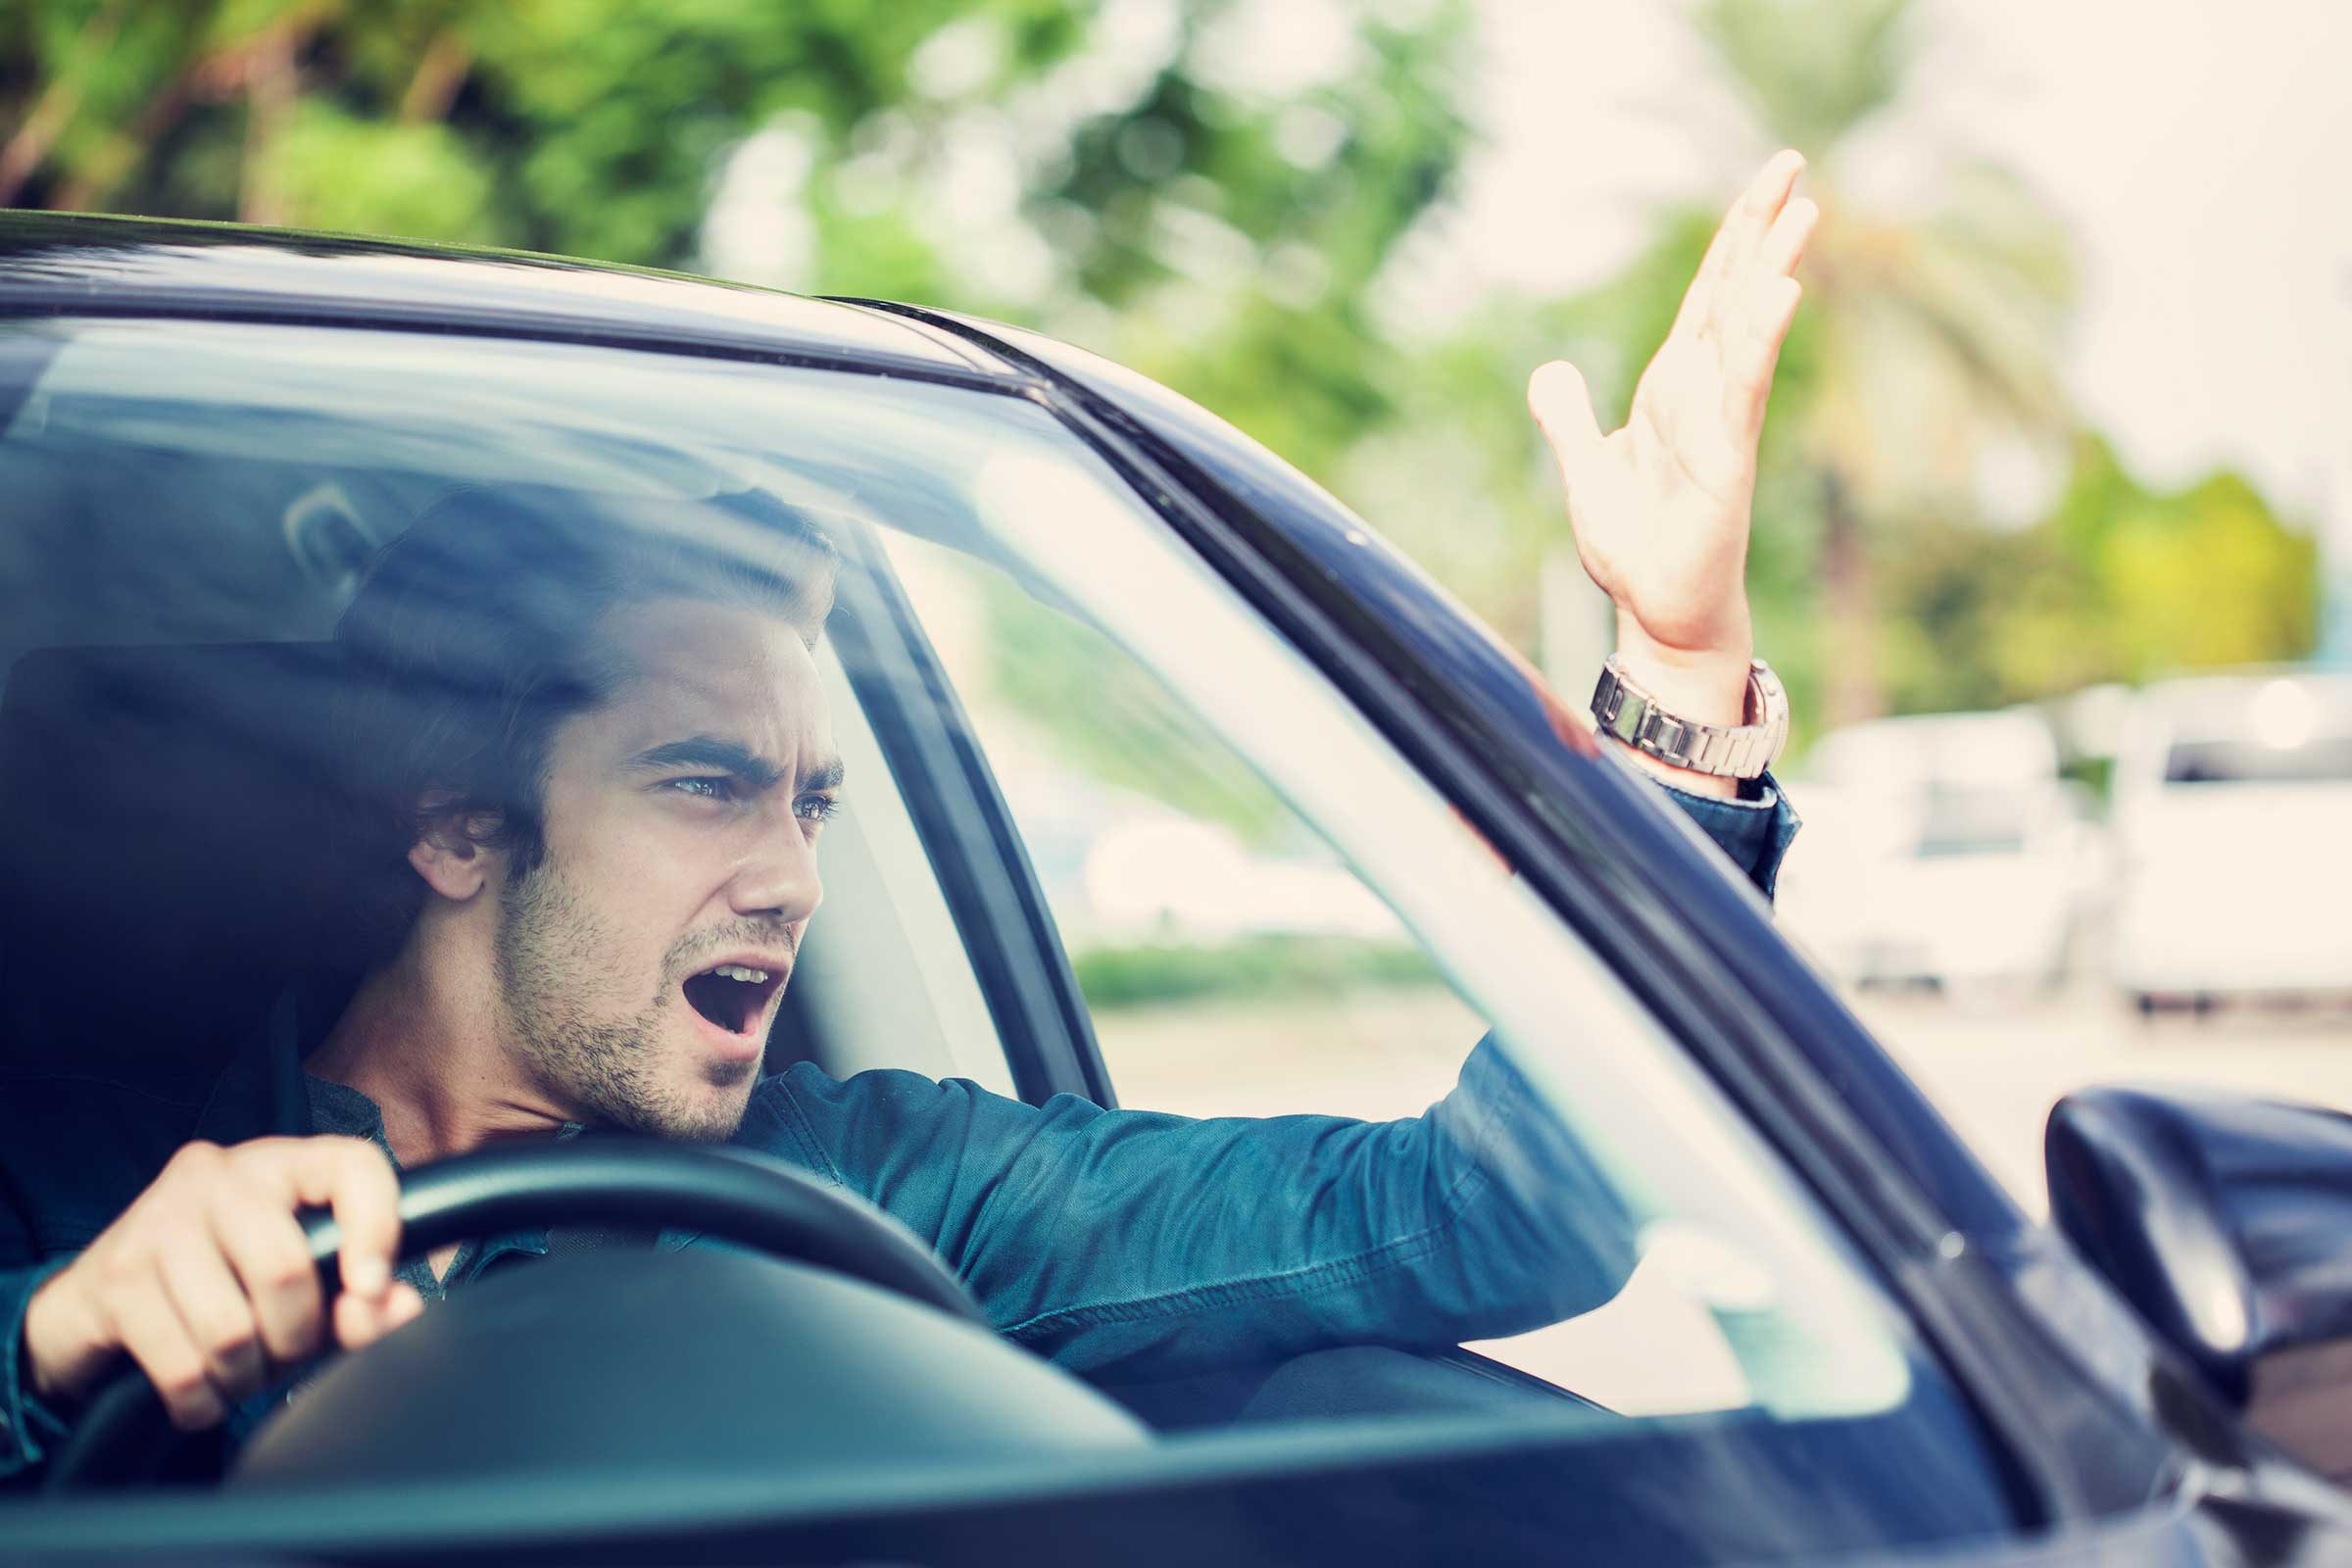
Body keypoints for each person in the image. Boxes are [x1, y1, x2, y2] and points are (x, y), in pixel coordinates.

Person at [0, 151, 1817, 1482]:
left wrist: (1674, 668)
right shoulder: (106, 1173)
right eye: (706, 783)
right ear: (460, 826)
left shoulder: (890, 1192)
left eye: (811, 802)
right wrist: (55, 1333)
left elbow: (1478, 1216)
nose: (790, 876)